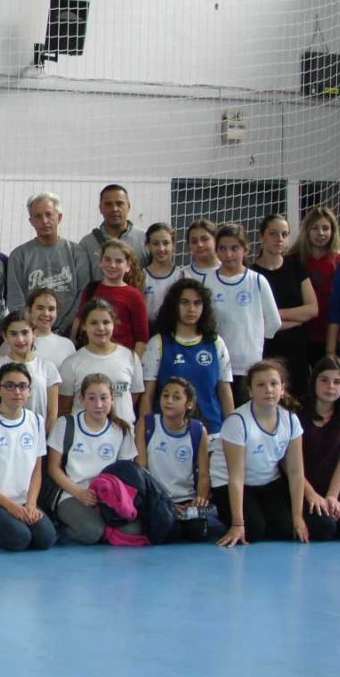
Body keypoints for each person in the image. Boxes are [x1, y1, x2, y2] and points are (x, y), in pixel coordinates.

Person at [139, 279, 235, 467]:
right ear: (174, 306)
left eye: (197, 303)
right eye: (184, 302)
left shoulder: (215, 343)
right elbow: (147, 395)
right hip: (168, 435)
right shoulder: (158, 343)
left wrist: (232, 429)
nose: (191, 309)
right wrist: (146, 434)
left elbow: (225, 391)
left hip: (212, 433)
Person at [214, 360, 308, 547]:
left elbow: (296, 473)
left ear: (282, 389)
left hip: (267, 481)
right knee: (253, 531)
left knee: (285, 529)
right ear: (250, 391)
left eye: (274, 384)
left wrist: (297, 517)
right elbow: (236, 476)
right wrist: (237, 524)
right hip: (229, 482)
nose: (268, 390)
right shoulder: (237, 422)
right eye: (260, 385)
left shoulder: (291, 419)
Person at [0, 363, 57, 552]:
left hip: (22, 500)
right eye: (9, 386)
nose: (17, 392)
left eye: (22, 386)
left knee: (46, 538)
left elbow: (37, 471)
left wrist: (31, 504)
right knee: (19, 538)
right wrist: (10, 507)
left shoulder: (36, 421)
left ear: (29, 391)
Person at [45, 373, 137, 544]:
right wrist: (79, 493)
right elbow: (53, 468)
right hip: (72, 493)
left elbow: (126, 473)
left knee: (133, 530)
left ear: (112, 399)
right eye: (92, 398)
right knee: (92, 532)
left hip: (107, 495)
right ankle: (64, 525)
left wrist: (112, 497)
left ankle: (107, 529)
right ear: (82, 400)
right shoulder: (66, 424)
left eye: (104, 398)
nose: (98, 405)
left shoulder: (121, 430)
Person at [203, 224, 281, 402]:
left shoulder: (257, 280)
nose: (228, 254)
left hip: (248, 366)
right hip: (217, 364)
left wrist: (254, 341)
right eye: (222, 248)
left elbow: (274, 321)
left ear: (245, 250)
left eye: (234, 248)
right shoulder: (208, 281)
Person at [135, 377, 215, 541]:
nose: (169, 401)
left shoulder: (198, 430)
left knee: (196, 533)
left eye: (176, 397)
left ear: (189, 404)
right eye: (165, 395)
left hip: (187, 499)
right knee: (164, 533)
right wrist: (165, 503)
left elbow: (204, 474)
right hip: (157, 497)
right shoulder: (147, 424)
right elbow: (141, 471)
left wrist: (199, 500)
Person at [5, 191, 91, 335]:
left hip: (70, 333)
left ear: (59, 217)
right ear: (31, 221)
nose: (44, 221)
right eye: (38, 216)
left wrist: (64, 327)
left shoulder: (76, 252)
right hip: (31, 334)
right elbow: (15, 300)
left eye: (49, 214)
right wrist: (31, 328)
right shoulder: (19, 256)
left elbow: (83, 294)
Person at [253, 213, 317, 395]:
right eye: (273, 234)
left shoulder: (296, 267)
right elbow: (257, 321)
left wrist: (274, 315)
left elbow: (312, 309)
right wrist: (297, 319)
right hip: (267, 350)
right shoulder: (252, 274)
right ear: (262, 236)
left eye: (284, 234)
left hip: (297, 350)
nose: (279, 239)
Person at [57, 299, 144, 423]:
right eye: (94, 323)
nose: (101, 328)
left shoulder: (130, 357)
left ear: (113, 323)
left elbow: (134, 395)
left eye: (106, 322)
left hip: (122, 431)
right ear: (84, 326)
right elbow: (64, 407)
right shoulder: (71, 363)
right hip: (84, 433)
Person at [297, 356, 340, 541]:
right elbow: (289, 463)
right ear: (314, 381)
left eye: (337, 382)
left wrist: (332, 497)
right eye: (324, 380)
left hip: (329, 485)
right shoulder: (298, 410)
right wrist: (311, 495)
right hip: (301, 486)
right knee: (325, 528)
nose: (330, 387)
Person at [0, 312, 61, 436]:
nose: (20, 339)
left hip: (38, 437)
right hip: (3, 436)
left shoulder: (48, 368)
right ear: (5, 336)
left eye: (25, 333)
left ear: (33, 333)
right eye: (13, 334)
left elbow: (52, 415)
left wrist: (45, 440)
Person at [69, 239, 149, 355]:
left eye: (118, 261)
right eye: (107, 260)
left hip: (121, 358)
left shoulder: (134, 296)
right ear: (100, 262)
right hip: (91, 355)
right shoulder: (91, 289)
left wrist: (134, 362)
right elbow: (79, 319)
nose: (112, 265)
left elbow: (142, 338)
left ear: (128, 266)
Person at [292, 205, 340, 369]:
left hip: (333, 337)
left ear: (333, 231)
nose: (320, 233)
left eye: (325, 228)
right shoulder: (293, 260)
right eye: (315, 228)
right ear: (306, 230)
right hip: (300, 334)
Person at [78, 184, 148, 280]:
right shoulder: (87, 244)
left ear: (128, 206)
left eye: (119, 204)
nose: (114, 209)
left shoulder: (145, 240)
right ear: (100, 208)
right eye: (108, 204)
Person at [141, 223, 183, 322]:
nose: (161, 248)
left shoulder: (181, 276)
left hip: (173, 327)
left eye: (166, 243)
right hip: (148, 328)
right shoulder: (141, 275)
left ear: (173, 245)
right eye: (155, 244)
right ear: (148, 246)